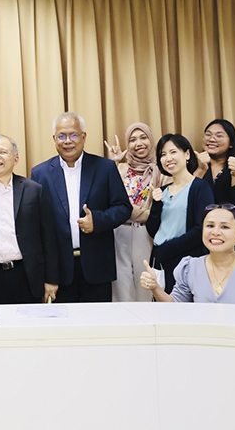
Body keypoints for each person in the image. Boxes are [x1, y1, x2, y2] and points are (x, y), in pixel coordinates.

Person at [31, 113, 131, 303]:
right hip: (59, 271)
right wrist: (48, 276)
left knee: (97, 327)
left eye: (73, 135)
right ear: (54, 139)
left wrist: (98, 221)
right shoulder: (40, 173)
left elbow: (123, 207)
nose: (68, 141)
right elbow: (38, 226)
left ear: (83, 137)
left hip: (97, 268)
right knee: (64, 329)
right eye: (61, 136)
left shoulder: (105, 167)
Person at [0, 135, 58, 304]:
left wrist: (51, 279)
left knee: (28, 327)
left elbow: (49, 238)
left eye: (2, 152)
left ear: (16, 159)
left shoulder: (34, 190)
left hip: (27, 273)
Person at [140, 205, 235, 306]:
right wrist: (155, 288)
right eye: (210, 226)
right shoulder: (190, 267)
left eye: (225, 227)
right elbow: (175, 307)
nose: (215, 232)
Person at [146, 134, 213, 293]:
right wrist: (156, 205)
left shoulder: (200, 187)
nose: (168, 158)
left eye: (173, 152)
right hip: (160, 261)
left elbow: (201, 229)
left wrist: (167, 249)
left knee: (185, 312)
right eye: (163, 154)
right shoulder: (162, 190)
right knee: (161, 311)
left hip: (186, 260)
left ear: (187, 154)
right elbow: (152, 230)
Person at [103, 123, 163, 302]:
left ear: (151, 140)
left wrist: (126, 210)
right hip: (118, 231)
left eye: (143, 137)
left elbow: (156, 211)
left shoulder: (161, 171)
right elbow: (107, 199)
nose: (139, 143)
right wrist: (113, 162)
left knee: (145, 284)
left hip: (145, 233)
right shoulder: (119, 169)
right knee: (120, 285)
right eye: (132, 139)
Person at [193, 119, 235, 254]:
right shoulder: (192, 169)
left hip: (233, 244)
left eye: (219, 136)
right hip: (198, 241)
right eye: (208, 135)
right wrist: (200, 170)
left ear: (231, 143)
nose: (212, 139)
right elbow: (186, 202)